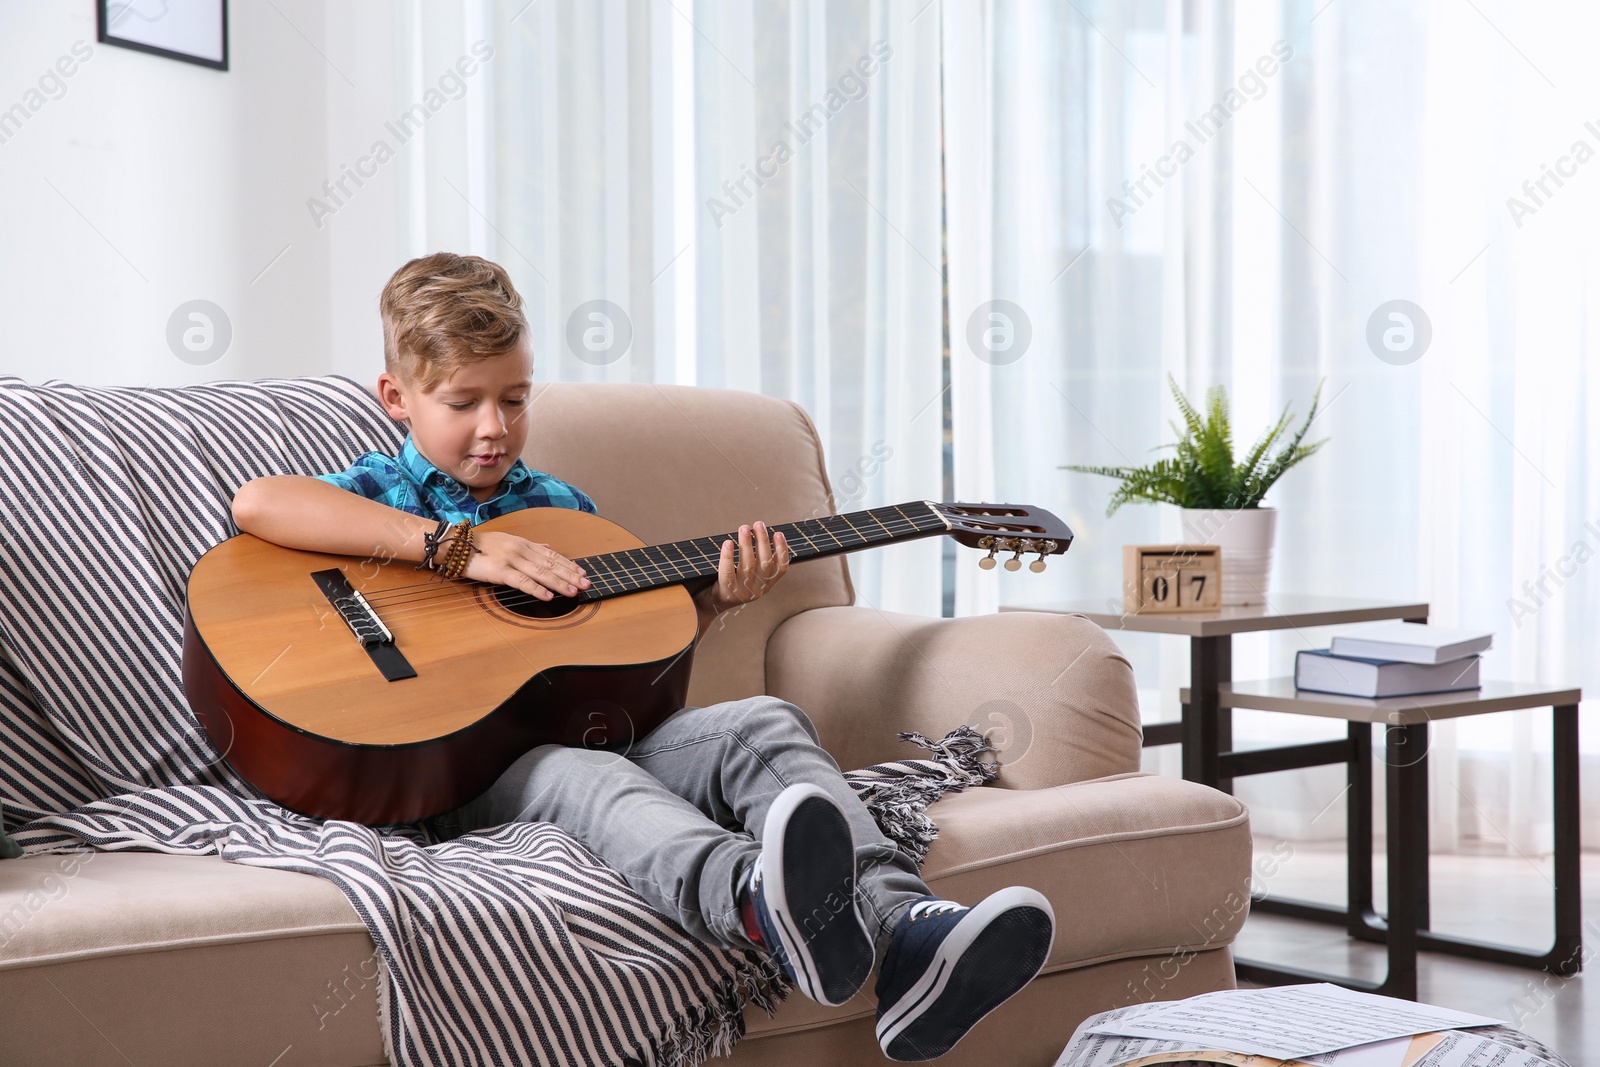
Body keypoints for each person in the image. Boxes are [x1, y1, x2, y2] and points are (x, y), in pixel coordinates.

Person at [229, 252, 1055, 1061]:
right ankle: (756, 899)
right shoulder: (375, 493)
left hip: (592, 729)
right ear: (396, 397)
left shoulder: (561, 509)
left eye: (515, 399)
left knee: (763, 722)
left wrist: (711, 601)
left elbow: (623, 666)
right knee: (585, 775)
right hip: (449, 766)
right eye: (462, 402)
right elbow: (259, 501)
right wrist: (456, 550)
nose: (494, 427)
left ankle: (910, 936)